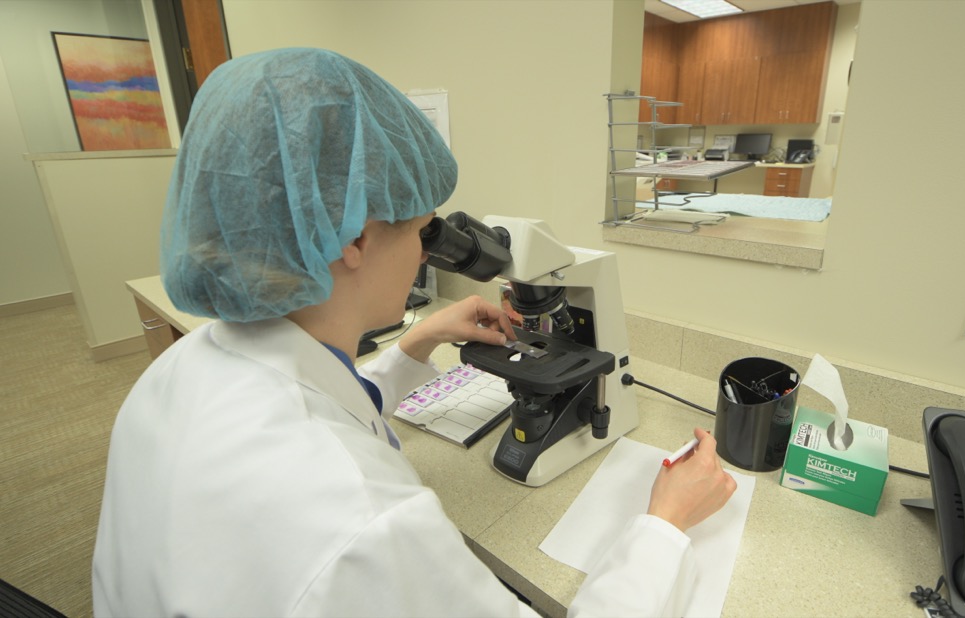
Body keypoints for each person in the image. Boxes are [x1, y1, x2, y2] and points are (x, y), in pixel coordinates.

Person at [92, 48, 736, 617]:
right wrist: (665, 524)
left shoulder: (176, 375)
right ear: (352, 237)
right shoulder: (367, 524)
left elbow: (319, 402)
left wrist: (416, 340)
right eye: (425, 229)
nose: (431, 252)